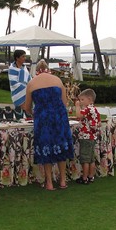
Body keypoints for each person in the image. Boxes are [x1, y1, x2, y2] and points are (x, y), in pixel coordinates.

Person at [24, 59, 74, 190]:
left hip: (43, 118)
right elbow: (64, 102)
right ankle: (63, 180)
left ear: (36, 71)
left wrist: (34, 113)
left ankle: (49, 183)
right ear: (48, 69)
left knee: (46, 148)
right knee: (61, 146)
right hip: (59, 116)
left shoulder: (31, 83)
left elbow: (27, 107)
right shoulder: (57, 80)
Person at [74, 88, 101, 184]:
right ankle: (91, 176)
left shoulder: (88, 109)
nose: (80, 102)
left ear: (89, 99)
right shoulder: (95, 109)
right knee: (91, 158)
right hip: (92, 137)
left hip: (86, 137)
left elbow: (78, 116)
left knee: (85, 158)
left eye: (82, 100)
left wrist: (77, 106)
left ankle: (84, 177)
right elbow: (99, 122)